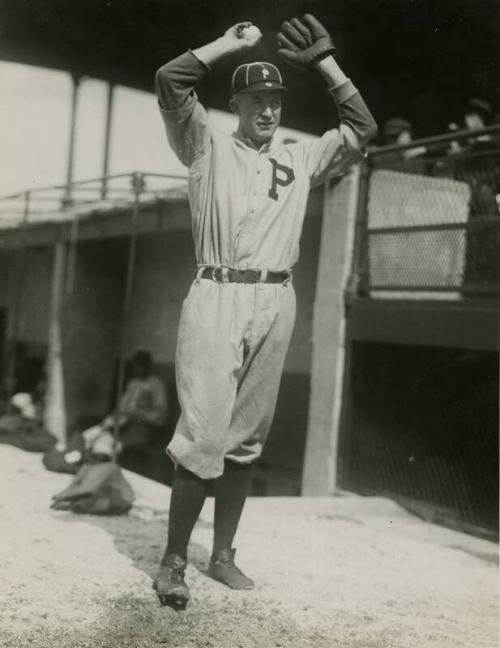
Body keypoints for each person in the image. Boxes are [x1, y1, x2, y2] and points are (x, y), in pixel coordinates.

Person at [153, 14, 377, 609]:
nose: (269, 110)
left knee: (245, 439)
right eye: (256, 99)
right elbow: (171, 80)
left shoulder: (301, 158)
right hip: (218, 292)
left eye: (276, 100)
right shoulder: (203, 143)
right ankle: (174, 560)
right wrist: (229, 44)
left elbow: (362, 127)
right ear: (236, 103)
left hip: (276, 297)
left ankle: (222, 555)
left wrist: (327, 66)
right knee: (203, 432)